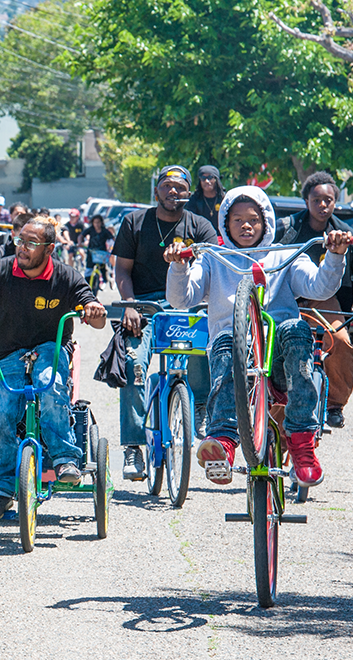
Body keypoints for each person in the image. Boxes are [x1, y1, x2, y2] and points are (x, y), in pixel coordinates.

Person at [166, 186, 353, 487]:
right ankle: (223, 442)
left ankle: (301, 440)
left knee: (296, 329)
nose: (245, 225)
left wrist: (335, 255)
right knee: (225, 342)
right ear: (225, 223)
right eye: (237, 219)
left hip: (277, 355)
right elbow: (181, 299)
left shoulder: (284, 254)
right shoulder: (215, 257)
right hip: (236, 353)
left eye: (253, 218)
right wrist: (179, 266)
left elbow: (320, 288)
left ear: (266, 221)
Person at [0, 216, 107, 519]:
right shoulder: (2, 271)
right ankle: (1, 486)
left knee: (50, 384)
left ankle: (65, 458)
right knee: (3, 408)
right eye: (20, 241)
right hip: (8, 351)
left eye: (31, 243)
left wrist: (94, 309)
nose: (23, 248)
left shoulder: (67, 276)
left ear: (50, 248)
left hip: (50, 347)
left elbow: (95, 317)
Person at [114, 165, 218, 479]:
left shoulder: (200, 226)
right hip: (143, 305)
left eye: (180, 187)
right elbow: (121, 271)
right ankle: (133, 448)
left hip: (188, 302)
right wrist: (129, 306)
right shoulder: (134, 222)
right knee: (132, 362)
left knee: (204, 344)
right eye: (167, 186)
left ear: (189, 192)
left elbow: (212, 269)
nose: (173, 192)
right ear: (157, 190)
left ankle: (199, 406)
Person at [274, 171, 353, 428]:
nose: (322, 205)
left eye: (328, 200)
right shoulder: (286, 230)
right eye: (317, 200)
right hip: (289, 301)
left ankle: (335, 405)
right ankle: (274, 406)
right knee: (277, 352)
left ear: (334, 202)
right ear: (306, 200)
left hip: (325, 302)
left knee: (340, 342)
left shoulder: (347, 235)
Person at [184, 165, 224, 233]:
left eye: (210, 177)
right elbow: (189, 222)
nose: (207, 181)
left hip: (223, 237)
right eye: (203, 178)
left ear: (216, 179)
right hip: (201, 236)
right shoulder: (194, 200)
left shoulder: (224, 199)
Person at [81, 214, 115, 290]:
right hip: (91, 252)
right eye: (95, 222)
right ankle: (86, 284)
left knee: (103, 267)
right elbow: (81, 235)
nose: (97, 224)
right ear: (92, 223)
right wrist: (80, 242)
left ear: (101, 223)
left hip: (101, 252)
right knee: (88, 269)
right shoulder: (90, 230)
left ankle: (105, 280)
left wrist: (116, 246)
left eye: (98, 222)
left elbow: (112, 238)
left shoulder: (104, 231)